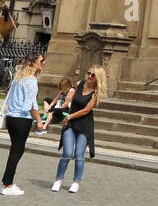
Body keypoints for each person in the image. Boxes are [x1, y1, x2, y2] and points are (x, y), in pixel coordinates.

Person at [51, 66, 106, 193]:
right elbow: (69, 100)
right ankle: (58, 180)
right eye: (89, 73)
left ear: (98, 78)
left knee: (79, 156)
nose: (89, 76)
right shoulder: (79, 84)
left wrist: (70, 116)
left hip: (84, 125)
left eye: (93, 75)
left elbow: (86, 110)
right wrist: (62, 109)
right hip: (70, 123)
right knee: (67, 154)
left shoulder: (96, 93)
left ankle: (76, 182)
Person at [2, 51, 46, 195]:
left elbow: (9, 98)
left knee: (15, 149)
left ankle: (7, 182)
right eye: (41, 61)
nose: (43, 63)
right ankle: (7, 185)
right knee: (17, 150)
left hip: (11, 118)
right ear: (34, 63)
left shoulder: (18, 77)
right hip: (22, 119)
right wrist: (39, 121)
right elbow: (32, 104)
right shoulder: (31, 80)